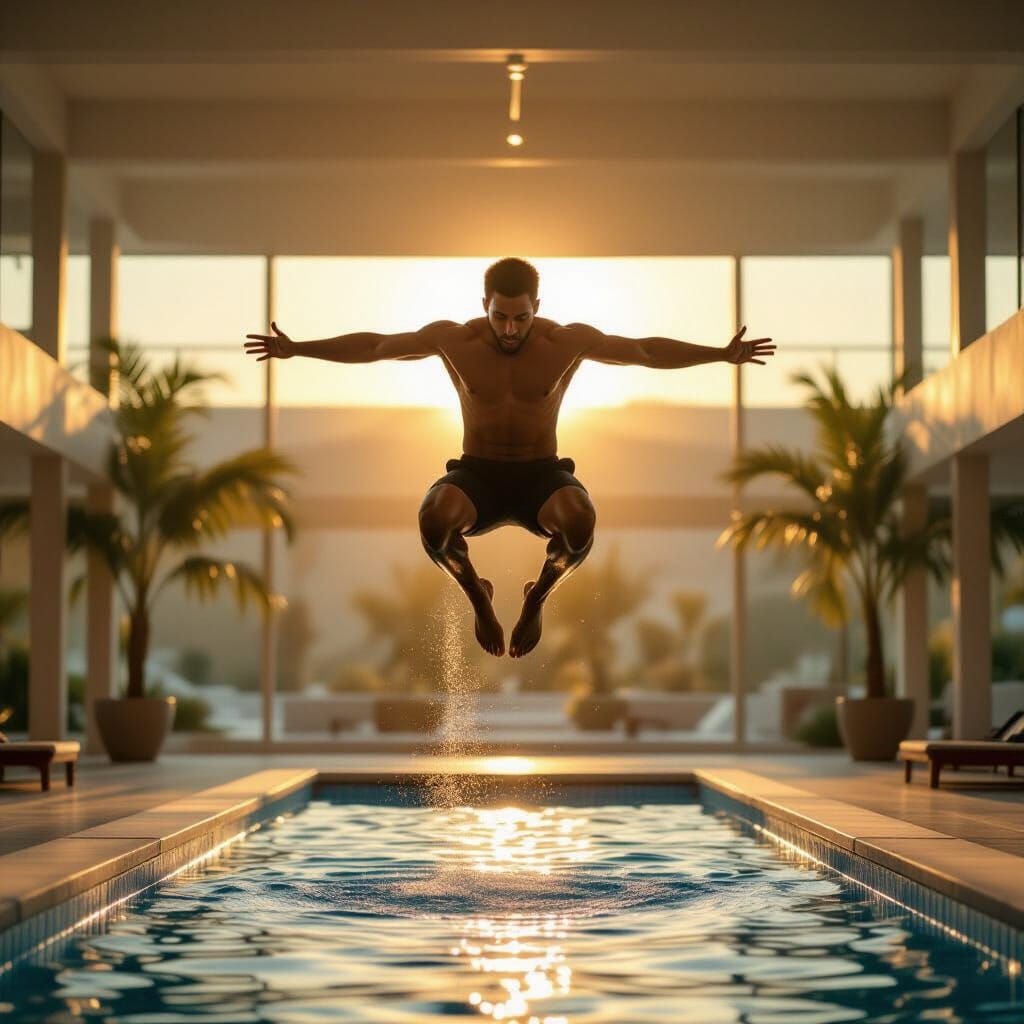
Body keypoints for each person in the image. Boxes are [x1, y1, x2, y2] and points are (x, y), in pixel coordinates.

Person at [245, 257, 774, 659]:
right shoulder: (454, 340)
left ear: (537, 309)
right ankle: (478, 595)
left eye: (521, 317)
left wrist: (721, 354)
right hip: (478, 474)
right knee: (434, 523)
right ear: (485, 307)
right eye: (500, 316)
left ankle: (536, 597)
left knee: (580, 523)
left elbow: (645, 351)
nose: (511, 329)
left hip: (541, 476)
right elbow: (379, 345)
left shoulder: (567, 342)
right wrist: (299, 349)